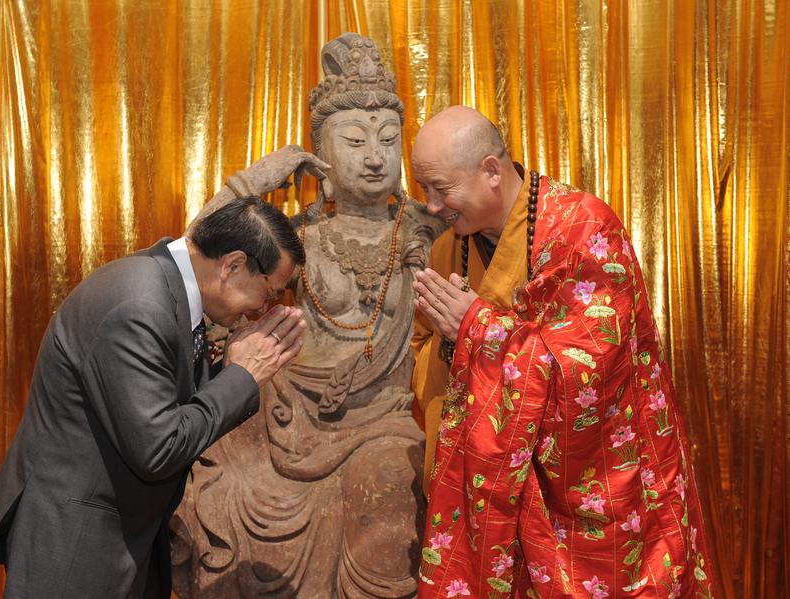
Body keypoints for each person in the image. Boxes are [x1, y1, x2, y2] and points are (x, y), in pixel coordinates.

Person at [170, 33, 445, 598]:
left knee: (389, 484)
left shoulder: (427, 230)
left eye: (389, 140)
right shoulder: (300, 238)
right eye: (355, 140)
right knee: (224, 488)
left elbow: (500, 234)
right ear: (322, 154)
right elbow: (200, 257)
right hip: (289, 414)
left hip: (384, 417)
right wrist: (256, 180)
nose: (375, 157)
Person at [409, 106, 713, 598]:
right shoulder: (449, 250)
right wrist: (453, 342)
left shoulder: (584, 230)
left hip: (598, 486)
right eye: (424, 189)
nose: (431, 205)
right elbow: (426, 357)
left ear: (491, 170)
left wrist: (477, 329)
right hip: (498, 489)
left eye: (441, 189)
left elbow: (592, 373)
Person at [0, 196, 314, 598]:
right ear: (233, 265)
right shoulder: (140, 305)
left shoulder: (165, 289)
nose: (261, 310)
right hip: (76, 548)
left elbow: (167, 409)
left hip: (114, 539)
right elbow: (159, 448)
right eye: (268, 294)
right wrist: (242, 377)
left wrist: (229, 370)